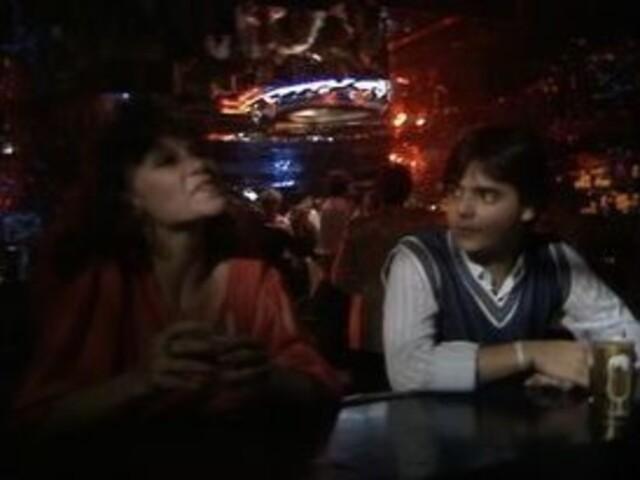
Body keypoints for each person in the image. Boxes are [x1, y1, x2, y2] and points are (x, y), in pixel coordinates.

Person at [10, 98, 339, 471]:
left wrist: (270, 378)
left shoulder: (255, 281)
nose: (200, 165)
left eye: (198, 153)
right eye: (167, 160)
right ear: (129, 197)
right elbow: (32, 426)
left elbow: (322, 392)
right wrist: (141, 381)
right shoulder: (103, 284)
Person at [383, 125, 640, 393]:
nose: (462, 209)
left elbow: (627, 339)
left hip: (527, 419)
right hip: (435, 420)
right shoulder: (421, 258)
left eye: (487, 195)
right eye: (455, 191)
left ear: (528, 207)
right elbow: (407, 372)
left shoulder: (554, 260)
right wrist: (529, 354)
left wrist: (577, 368)